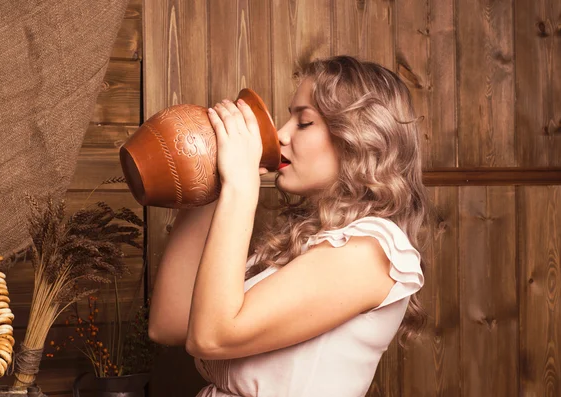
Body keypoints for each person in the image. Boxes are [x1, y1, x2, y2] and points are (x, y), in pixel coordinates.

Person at [148, 55, 432, 397]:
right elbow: (169, 324)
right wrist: (210, 178)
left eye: (304, 122)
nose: (280, 134)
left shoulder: (371, 251)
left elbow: (211, 337)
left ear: (357, 137)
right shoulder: (313, 242)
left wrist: (240, 187)